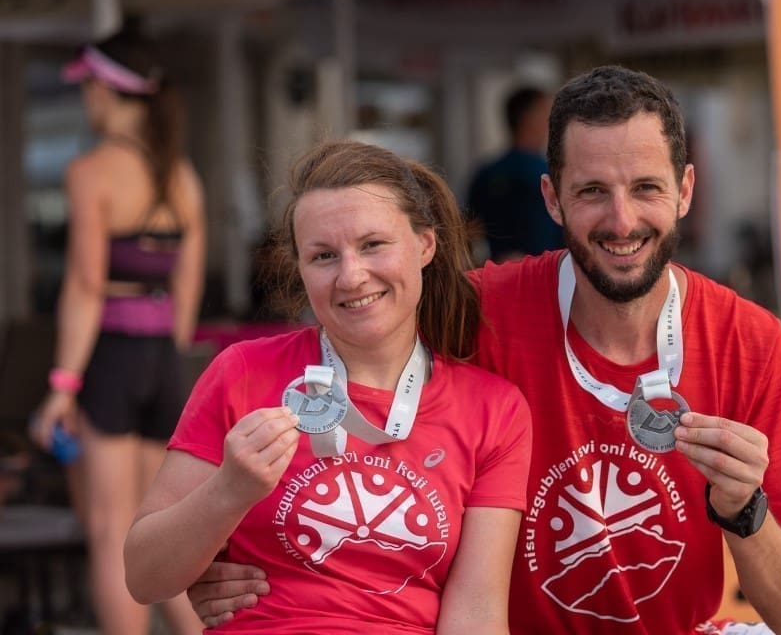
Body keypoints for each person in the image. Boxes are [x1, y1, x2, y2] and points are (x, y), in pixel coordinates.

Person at [189, 66, 781, 634]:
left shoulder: (747, 340)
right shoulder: (475, 311)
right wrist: (228, 560)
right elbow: (354, 341)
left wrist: (743, 509)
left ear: (686, 190)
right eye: (592, 191)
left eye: (646, 187)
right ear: (551, 199)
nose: (621, 220)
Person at [123, 140, 532, 634]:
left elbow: (477, 611)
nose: (351, 276)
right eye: (323, 256)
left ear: (426, 245)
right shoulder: (243, 372)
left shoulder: (494, 409)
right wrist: (228, 492)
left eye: (373, 245)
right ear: (300, 267)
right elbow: (144, 577)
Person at [29, 27, 206, 635]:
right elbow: (186, 289)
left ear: (103, 90)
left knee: (112, 532)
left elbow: (84, 285)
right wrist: (163, 358)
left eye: (87, 89)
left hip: (110, 359)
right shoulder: (181, 174)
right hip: (163, 361)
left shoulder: (92, 171)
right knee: (160, 528)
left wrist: (62, 385)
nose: (86, 101)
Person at [466, 85, 563, 262]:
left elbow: (468, 233)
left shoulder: (486, 173)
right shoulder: (550, 174)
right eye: (547, 114)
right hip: (546, 272)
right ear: (530, 118)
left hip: (501, 271)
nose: (552, 122)